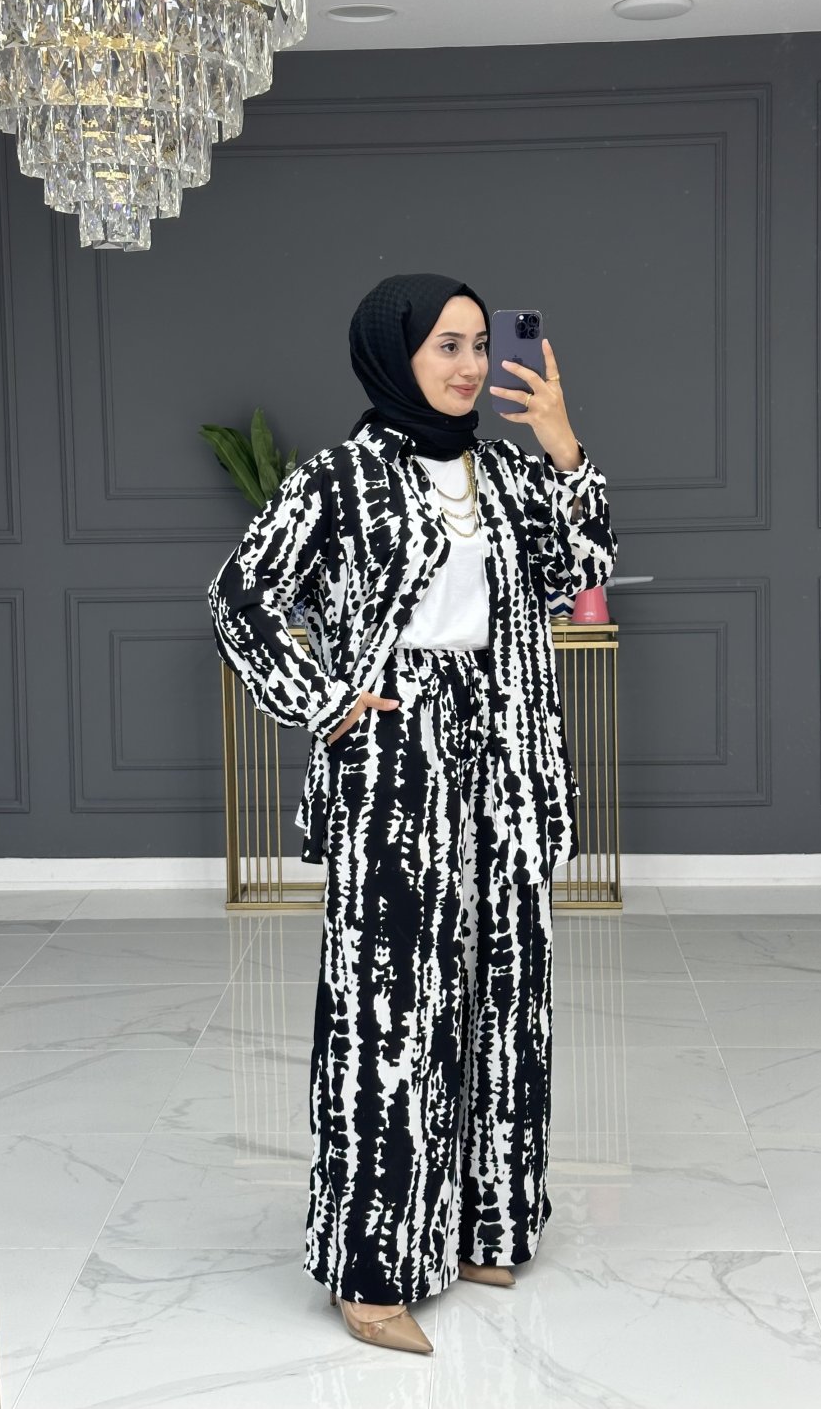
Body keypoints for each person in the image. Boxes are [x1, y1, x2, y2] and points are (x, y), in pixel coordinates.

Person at [207, 272, 618, 1355]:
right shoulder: (336, 480)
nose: (471, 365)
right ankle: (373, 1268)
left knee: (507, 992)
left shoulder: (511, 475)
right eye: (448, 345)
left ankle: (487, 1223)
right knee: (391, 1012)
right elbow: (240, 598)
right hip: (396, 764)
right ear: (394, 354)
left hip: (507, 753)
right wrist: (326, 701)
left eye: (481, 344)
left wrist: (565, 448)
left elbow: (583, 568)